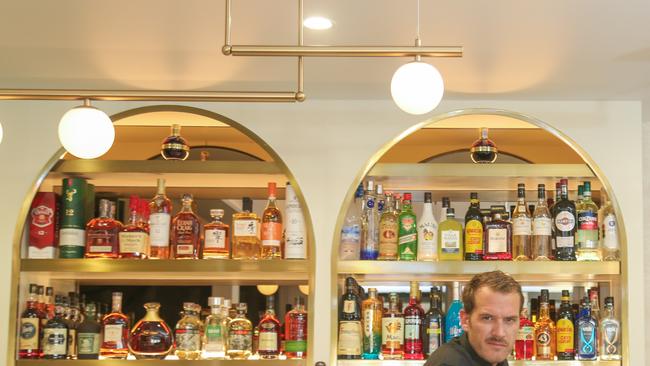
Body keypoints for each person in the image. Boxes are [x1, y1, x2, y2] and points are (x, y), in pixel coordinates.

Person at [424, 270, 523, 366]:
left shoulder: (494, 356)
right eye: (487, 318)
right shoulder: (449, 363)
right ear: (465, 320)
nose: (499, 333)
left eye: (509, 320)